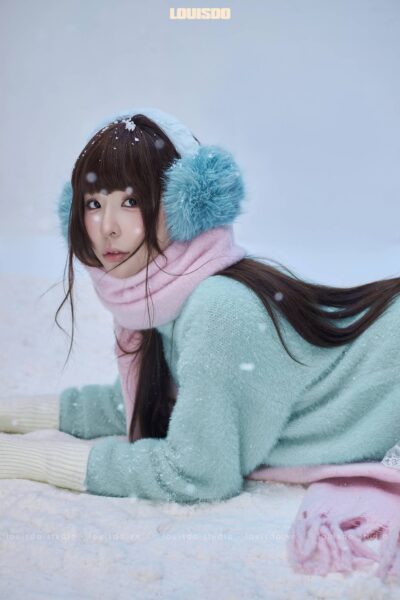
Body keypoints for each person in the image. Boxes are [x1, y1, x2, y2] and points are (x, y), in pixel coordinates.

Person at [1, 106, 400, 505]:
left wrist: (32, 459)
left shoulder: (217, 308)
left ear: (184, 207)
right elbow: (154, 402)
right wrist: (12, 413)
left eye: (131, 201)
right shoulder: (166, 303)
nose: (108, 227)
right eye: (93, 204)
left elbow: (199, 472)